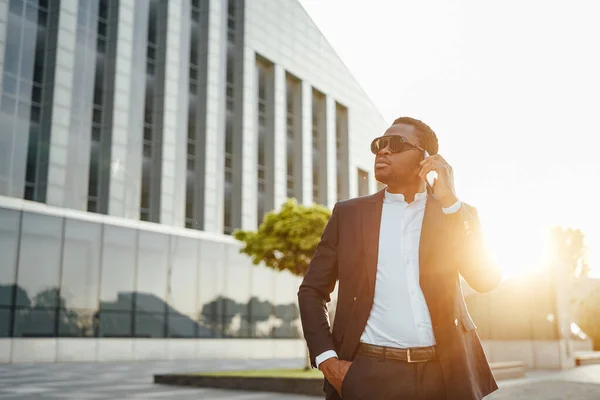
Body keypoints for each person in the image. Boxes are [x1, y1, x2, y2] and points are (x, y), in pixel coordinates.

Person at [298, 117, 502, 400]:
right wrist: (327, 359)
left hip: (444, 375)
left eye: (395, 144)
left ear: (427, 158)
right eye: (379, 145)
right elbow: (312, 290)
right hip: (368, 374)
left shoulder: (455, 213)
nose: (383, 151)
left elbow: (485, 279)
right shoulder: (349, 215)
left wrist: (451, 203)